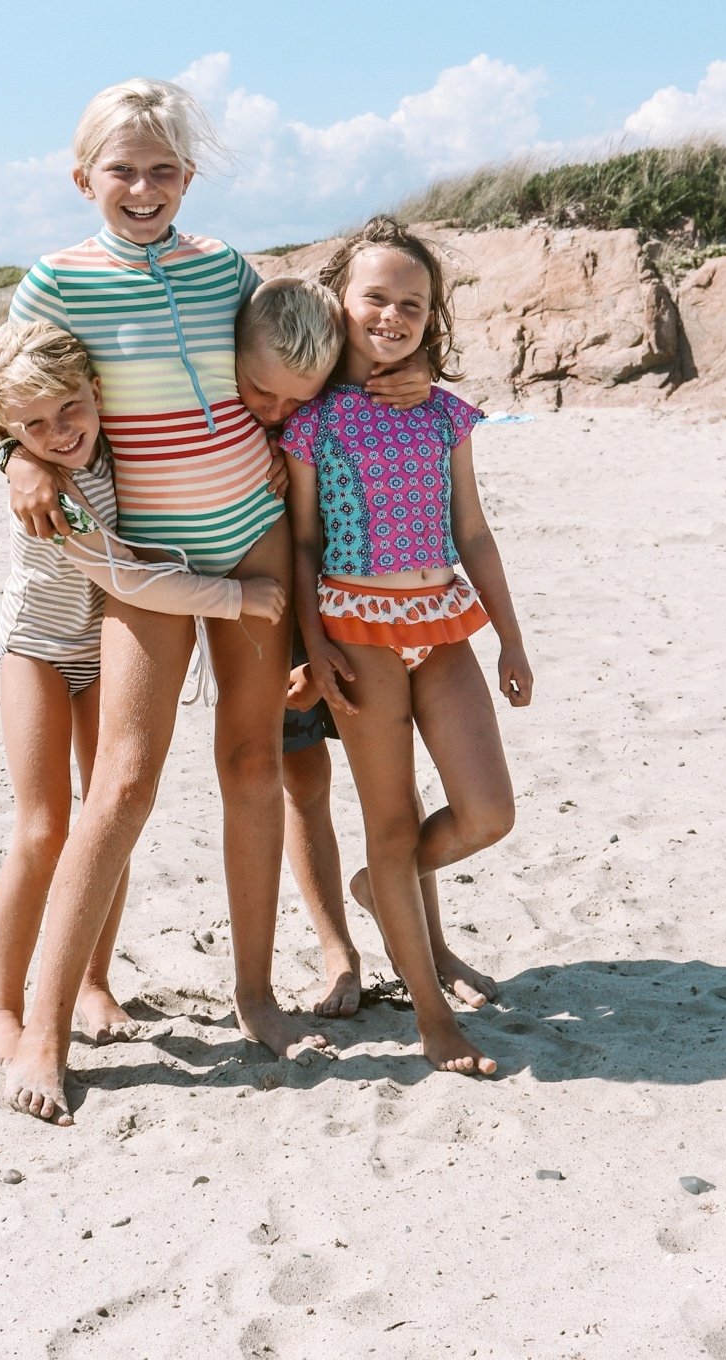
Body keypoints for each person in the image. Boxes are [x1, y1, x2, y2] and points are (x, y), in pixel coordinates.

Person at [0, 77, 325, 1124]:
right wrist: (16, 456)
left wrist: (283, 441)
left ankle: (257, 992)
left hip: (252, 532)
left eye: (164, 169)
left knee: (252, 759)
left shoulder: (226, 267)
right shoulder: (56, 279)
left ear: (189, 174)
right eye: (123, 169)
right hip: (147, 556)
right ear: (82, 174)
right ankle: (43, 1029)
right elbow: (5, 385)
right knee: (126, 780)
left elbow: (279, 365)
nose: (143, 187)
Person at [0, 318, 285, 1078]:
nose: (58, 432)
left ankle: (93, 980)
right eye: (33, 427)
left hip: (105, 651)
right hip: (41, 650)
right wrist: (233, 598)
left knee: (101, 814)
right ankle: (1, 1005)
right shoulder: (49, 490)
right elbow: (125, 578)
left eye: (69, 409)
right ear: (8, 433)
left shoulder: (126, 447)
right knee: (43, 828)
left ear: (96, 390)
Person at [283, 215, 534, 1078]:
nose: (393, 317)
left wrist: (510, 637)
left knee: (486, 813)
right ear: (340, 305)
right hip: (356, 637)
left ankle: (378, 888)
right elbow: (305, 544)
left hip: (442, 626)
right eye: (376, 299)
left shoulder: (446, 414)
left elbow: (472, 528)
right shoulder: (311, 421)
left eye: (413, 306)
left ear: (433, 320)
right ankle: (431, 1018)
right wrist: (315, 646)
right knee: (388, 821)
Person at [234, 278, 498, 1020]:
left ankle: (430, 945)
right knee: (302, 777)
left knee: (398, 795)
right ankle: (336, 950)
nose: (280, 406)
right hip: (271, 595)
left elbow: (394, 339)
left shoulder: (392, 393)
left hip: (373, 599)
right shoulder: (267, 351)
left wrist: (418, 372)